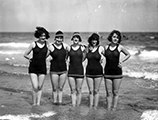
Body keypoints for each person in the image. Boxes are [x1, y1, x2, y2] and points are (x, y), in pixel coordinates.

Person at [104, 30, 130, 111]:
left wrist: (122, 61)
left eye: (117, 37)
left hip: (117, 73)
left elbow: (128, 54)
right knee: (108, 93)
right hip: (107, 72)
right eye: (114, 37)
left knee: (115, 92)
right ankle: (108, 109)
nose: (115, 39)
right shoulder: (105, 47)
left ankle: (114, 109)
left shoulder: (120, 47)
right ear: (111, 37)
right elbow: (100, 53)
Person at [23, 26, 50, 106]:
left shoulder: (47, 44)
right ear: (38, 36)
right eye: (41, 36)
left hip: (42, 67)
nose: (43, 37)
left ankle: (38, 103)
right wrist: (30, 58)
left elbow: (49, 53)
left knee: (40, 86)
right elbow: (25, 54)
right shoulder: (33, 44)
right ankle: (34, 103)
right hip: (33, 67)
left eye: (44, 36)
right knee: (35, 86)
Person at [49, 30, 69, 105]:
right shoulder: (51, 46)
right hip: (54, 70)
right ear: (55, 38)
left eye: (61, 38)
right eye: (57, 38)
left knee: (60, 88)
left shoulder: (66, 46)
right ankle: (54, 103)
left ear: (62, 39)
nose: (59, 40)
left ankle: (59, 103)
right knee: (54, 88)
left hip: (63, 70)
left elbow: (74, 52)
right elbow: (44, 55)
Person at [85, 33, 104, 109]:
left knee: (96, 90)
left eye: (96, 40)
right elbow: (81, 58)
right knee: (90, 91)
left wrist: (102, 59)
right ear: (90, 40)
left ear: (97, 41)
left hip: (98, 72)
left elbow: (110, 56)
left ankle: (95, 106)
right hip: (89, 72)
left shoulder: (101, 48)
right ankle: (90, 106)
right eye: (93, 39)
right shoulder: (87, 48)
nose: (94, 41)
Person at [67, 32, 86, 107]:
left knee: (79, 89)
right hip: (71, 71)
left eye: (77, 37)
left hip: (79, 71)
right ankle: (73, 105)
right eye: (74, 37)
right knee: (72, 90)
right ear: (72, 38)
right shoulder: (69, 48)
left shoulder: (83, 48)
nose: (76, 38)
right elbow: (64, 57)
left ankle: (78, 105)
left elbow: (88, 55)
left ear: (79, 39)